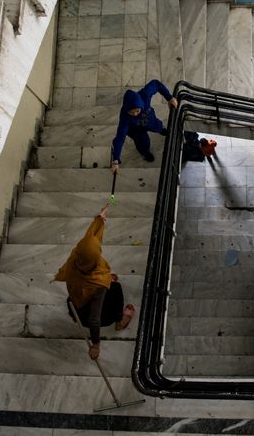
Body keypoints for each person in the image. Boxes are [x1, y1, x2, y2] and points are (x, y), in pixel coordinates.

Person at [53, 205, 134, 360]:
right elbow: (94, 320)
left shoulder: (75, 258)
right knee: (115, 288)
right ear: (94, 264)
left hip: (77, 304)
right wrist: (96, 345)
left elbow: (91, 237)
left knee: (104, 282)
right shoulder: (97, 284)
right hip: (90, 317)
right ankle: (119, 322)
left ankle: (76, 312)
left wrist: (100, 219)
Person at [111, 79, 178, 175]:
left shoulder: (145, 95)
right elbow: (120, 138)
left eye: (137, 111)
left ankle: (161, 130)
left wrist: (170, 98)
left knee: (157, 126)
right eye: (131, 112)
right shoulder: (125, 117)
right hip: (136, 130)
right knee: (143, 143)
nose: (134, 114)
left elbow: (156, 84)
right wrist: (115, 160)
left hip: (149, 119)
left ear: (141, 105)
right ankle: (146, 153)